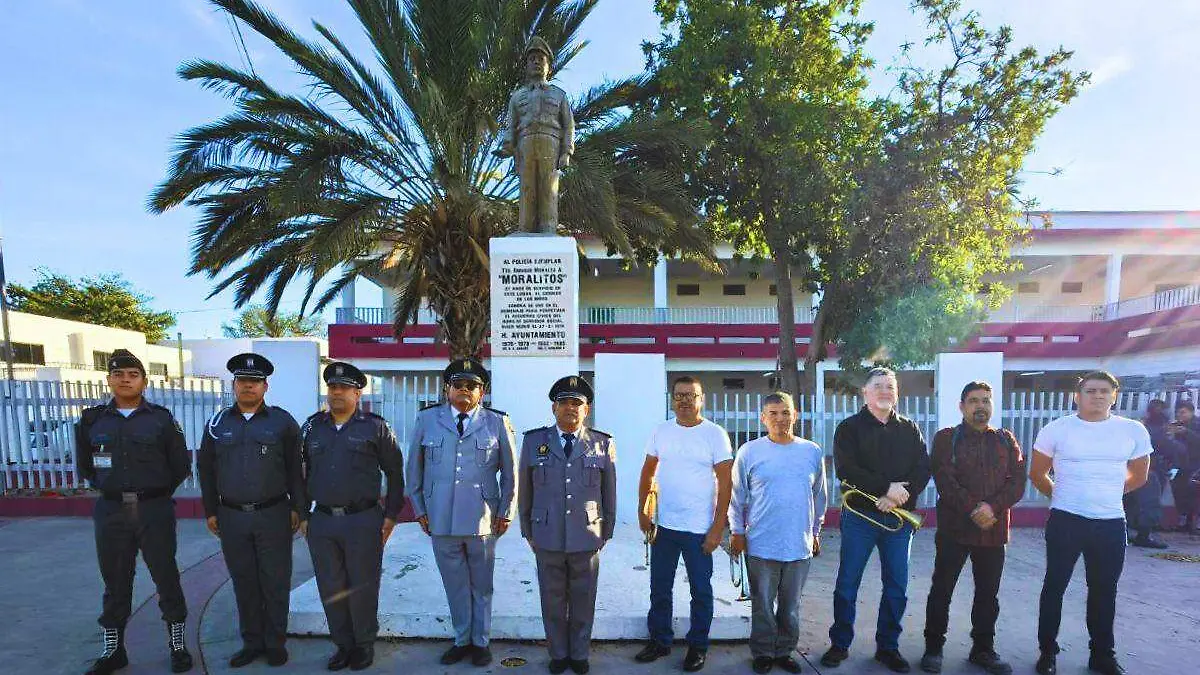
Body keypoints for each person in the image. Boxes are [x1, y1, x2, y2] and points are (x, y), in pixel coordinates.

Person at [76, 349, 194, 674]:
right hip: (111, 510)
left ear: (143, 380)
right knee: (115, 581)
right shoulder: (92, 420)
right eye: (119, 374)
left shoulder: (161, 418)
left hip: (154, 509)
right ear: (109, 379)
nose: (125, 379)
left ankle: (178, 646)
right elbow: (86, 466)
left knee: (166, 577)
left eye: (132, 374)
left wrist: (153, 493)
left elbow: (180, 465)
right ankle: (114, 650)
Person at [1030, 371, 1151, 675]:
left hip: (1110, 523)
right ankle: (1047, 652)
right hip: (1066, 521)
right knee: (1054, 586)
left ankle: (1102, 655)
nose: (1097, 396)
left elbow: (1139, 475)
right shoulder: (1056, 429)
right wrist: (1062, 496)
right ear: (1077, 396)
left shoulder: (1132, 430)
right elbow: (1038, 474)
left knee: (1104, 591)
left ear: (1115, 396)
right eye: (1091, 390)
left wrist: (1108, 493)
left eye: (1104, 391)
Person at [405, 357, 518, 667]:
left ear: (482, 392)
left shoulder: (497, 422)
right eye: (458, 384)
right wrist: (418, 508)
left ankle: (481, 642)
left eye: (473, 386)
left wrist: (506, 510)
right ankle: (461, 639)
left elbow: (510, 473)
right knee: (454, 584)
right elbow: (413, 468)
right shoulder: (427, 420)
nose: (465, 390)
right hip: (439, 516)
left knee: (481, 585)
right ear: (447, 389)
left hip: (483, 517)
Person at [197, 353, 305, 668]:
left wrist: (299, 508)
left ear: (265, 386)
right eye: (243, 381)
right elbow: (205, 470)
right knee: (244, 580)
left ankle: (275, 643)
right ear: (234, 385)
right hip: (231, 515)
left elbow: (295, 470)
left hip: (273, 513)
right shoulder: (217, 423)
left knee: (275, 580)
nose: (249, 386)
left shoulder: (282, 422)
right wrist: (210, 510)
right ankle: (251, 642)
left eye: (255, 382)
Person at [822, 367, 931, 673]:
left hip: (898, 518)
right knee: (847, 583)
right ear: (865, 393)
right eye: (879, 386)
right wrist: (885, 489)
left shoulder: (910, 429)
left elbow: (922, 469)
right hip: (859, 518)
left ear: (897, 393)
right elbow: (847, 470)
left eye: (890, 386)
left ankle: (888, 647)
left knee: (897, 586)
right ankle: (840, 643)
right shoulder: (849, 428)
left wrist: (897, 497)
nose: (885, 391)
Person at [301, 361, 405, 672]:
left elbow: (395, 474)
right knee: (331, 586)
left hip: (363, 520)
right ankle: (342, 645)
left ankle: (363, 645)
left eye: (344, 388)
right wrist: (303, 515)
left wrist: (390, 516)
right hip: (322, 521)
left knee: (362, 585)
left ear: (358, 392)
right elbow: (299, 474)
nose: (337, 392)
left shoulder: (375, 427)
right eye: (333, 387)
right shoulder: (311, 427)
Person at [918, 382, 1025, 675]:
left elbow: (1017, 482)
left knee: (988, 594)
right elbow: (944, 480)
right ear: (962, 406)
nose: (981, 406)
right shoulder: (947, 438)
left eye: (986, 401)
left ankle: (983, 649)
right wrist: (974, 509)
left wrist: (991, 508)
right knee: (942, 590)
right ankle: (933, 647)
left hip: (993, 531)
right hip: (955, 530)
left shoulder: (1005, 440)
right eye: (974, 401)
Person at [633, 376, 733, 672]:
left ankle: (697, 646)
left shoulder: (715, 435)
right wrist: (642, 511)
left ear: (702, 399)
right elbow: (648, 472)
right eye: (679, 396)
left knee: (700, 590)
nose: (685, 401)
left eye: (692, 395)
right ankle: (660, 640)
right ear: (672, 399)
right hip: (665, 526)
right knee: (659, 587)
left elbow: (726, 484)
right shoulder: (661, 431)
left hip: (699, 529)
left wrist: (718, 528)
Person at [518, 375, 616, 675]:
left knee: (584, 599)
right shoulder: (535, 441)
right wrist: (528, 530)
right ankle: (558, 654)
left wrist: (606, 532)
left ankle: (579, 653)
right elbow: (525, 489)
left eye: (577, 403)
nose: (570, 408)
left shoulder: (602, 443)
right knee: (552, 599)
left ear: (587, 410)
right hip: (546, 535)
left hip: (587, 536)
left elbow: (609, 491)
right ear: (553, 408)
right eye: (564, 402)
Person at [728, 392, 828, 674]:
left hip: (799, 543)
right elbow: (737, 497)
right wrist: (737, 531)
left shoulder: (811, 451)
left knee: (790, 606)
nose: (780, 419)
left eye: (785, 412)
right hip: (761, 543)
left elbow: (819, 496)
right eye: (773, 413)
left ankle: (784, 651)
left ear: (795, 415)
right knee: (762, 605)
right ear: (763, 418)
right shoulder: (749, 452)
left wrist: (816, 531)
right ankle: (762, 653)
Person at [495, 36, 575, 233]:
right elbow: (511, 125)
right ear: (526, 66)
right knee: (527, 187)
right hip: (525, 144)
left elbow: (569, 124)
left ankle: (549, 228)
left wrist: (567, 151)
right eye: (532, 59)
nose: (537, 62)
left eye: (542, 59)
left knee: (549, 187)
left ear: (549, 67)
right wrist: (507, 147)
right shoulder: (517, 97)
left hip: (551, 143)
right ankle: (526, 227)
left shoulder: (559, 94)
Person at [1124, 399, 1180, 548]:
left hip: (1131, 469)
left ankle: (1126, 533)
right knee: (1149, 504)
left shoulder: (1140, 427)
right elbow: (1171, 448)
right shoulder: (1160, 429)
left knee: (1129, 502)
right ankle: (1144, 536)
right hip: (1150, 470)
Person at [1167, 400, 1200, 533]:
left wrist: (1186, 432)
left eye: (1183, 412)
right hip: (1179, 464)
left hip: (1195, 463)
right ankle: (1182, 519)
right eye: (1178, 412)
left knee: (1193, 492)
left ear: (1191, 412)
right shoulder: (1176, 425)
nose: (1180, 415)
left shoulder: (1197, 424)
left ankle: (1193, 522)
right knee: (1178, 490)